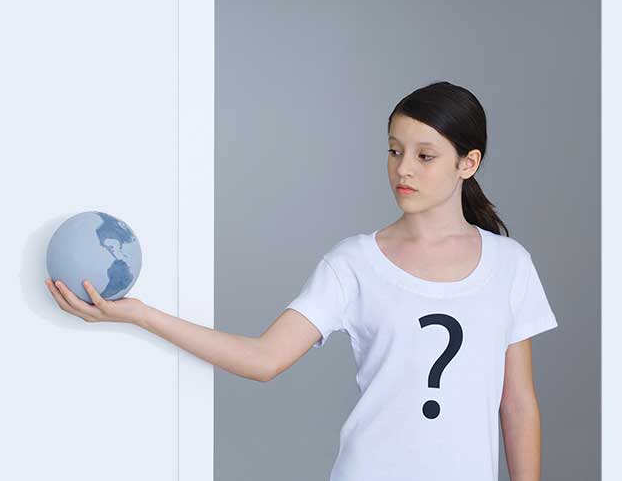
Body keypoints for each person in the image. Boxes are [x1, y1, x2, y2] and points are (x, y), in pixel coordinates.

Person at [44, 81, 558, 481]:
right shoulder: (354, 263)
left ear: (468, 163)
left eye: (425, 156)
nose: (403, 169)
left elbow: (516, 403)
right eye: (394, 150)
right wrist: (137, 312)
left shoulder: (509, 265)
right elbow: (264, 359)